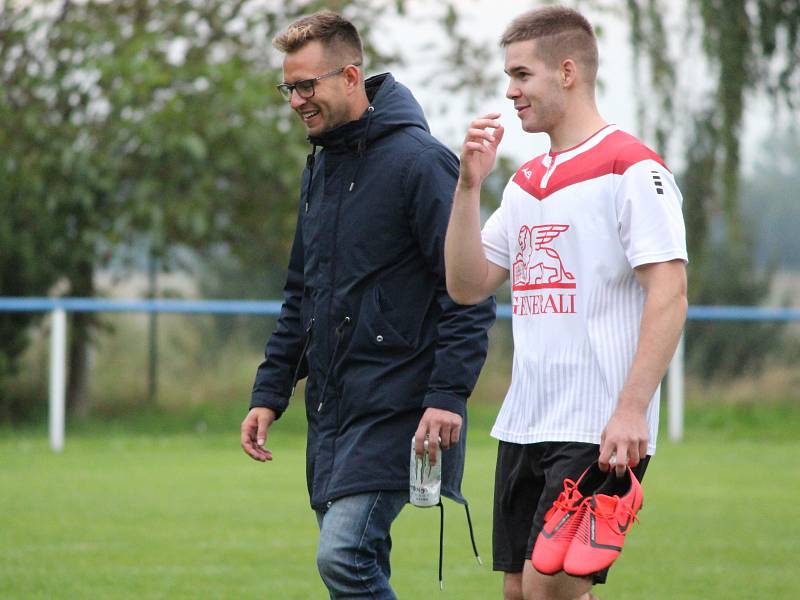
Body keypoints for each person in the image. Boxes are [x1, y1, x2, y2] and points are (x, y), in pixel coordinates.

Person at [240, 10, 495, 599]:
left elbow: (468, 294)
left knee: (345, 556)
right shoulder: (321, 167)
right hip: (334, 411)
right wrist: (270, 392)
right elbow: (302, 295)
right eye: (289, 87)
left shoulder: (421, 163)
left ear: (350, 76)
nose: (296, 100)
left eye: (308, 85)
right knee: (351, 567)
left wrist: (447, 396)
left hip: (400, 410)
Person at [444, 6, 688, 600]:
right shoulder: (528, 181)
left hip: (597, 423)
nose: (511, 91)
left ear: (569, 71)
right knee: (518, 593)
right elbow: (467, 283)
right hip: (527, 420)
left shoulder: (632, 168)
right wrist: (468, 187)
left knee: (548, 590)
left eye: (522, 74)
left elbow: (670, 292)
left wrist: (632, 410)